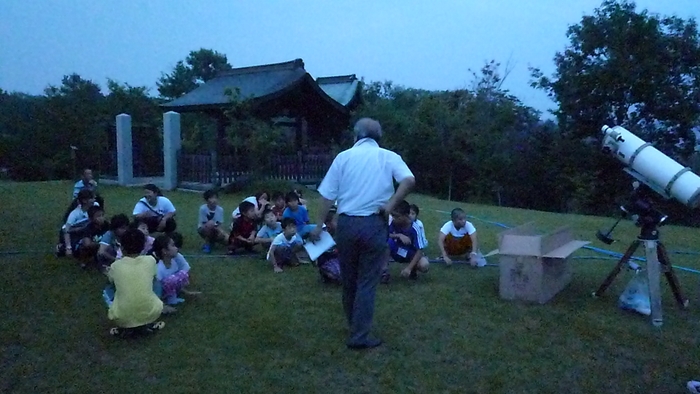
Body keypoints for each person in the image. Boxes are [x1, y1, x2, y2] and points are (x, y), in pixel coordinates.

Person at [310, 117, 415, 350]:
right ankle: (359, 335)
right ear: (378, 138)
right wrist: (390, 205)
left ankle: (354, 326)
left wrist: (319, 225)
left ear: (355, 136)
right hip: (374, 224)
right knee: (367, 281)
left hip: (346, 224)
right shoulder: (388, 156)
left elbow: (327, 195)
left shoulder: (343, 157)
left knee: (349, 280)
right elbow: (409, 180)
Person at [106, 228, 165, 337]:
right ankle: (148, 321)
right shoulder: (150, 260)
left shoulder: (116, 266)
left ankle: (123, 326)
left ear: (122, 247)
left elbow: (111, 281)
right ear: (143, 246)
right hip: (152, 313)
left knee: (108, 289)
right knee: (155, 281)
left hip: (121, 317)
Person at [388, 201, 429, 279]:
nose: (393, 218)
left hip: (409, 254)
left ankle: (412, 269)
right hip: (396, 250)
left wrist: (408, 268)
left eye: (397, 216)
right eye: (392, 215)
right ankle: (384, 271)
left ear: (406, 216)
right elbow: (386, 234)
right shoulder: (394, 223)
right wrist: (398, 235)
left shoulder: (415, 228)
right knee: (386, 242)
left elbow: (420, 249)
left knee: (424, 265)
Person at [152, 234, 191, 306]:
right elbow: (156, 288)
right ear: (164, 251)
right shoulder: (159, 268)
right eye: (173, 246)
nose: (176, 248)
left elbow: (186, 269)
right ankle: (167, 300)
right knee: (171, 280)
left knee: (182, 274)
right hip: (160, 293)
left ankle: (173, 297)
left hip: (171, 290)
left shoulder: (175, 261)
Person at [58, 189, 97, 259]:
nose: (94, 200)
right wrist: (68, 248)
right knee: (77, 250)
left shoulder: (95, 206)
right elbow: (66, 230)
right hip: (72, 233)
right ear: (84, 201)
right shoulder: (74, 214)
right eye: (92, 198)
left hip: (84, 231)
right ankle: (62, 247)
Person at [197, 189, 226, 253]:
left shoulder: (220, 209)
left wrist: (222, 233)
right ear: (207, 200)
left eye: (215, 198)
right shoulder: (203, 209)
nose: (214, 200)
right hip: (204, 228)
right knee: (210, 223)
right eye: (211, 198)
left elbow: (220, 224)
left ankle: (212, 242)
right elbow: (204, 223)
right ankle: (207, 244)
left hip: (216, 229)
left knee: (227, 240)